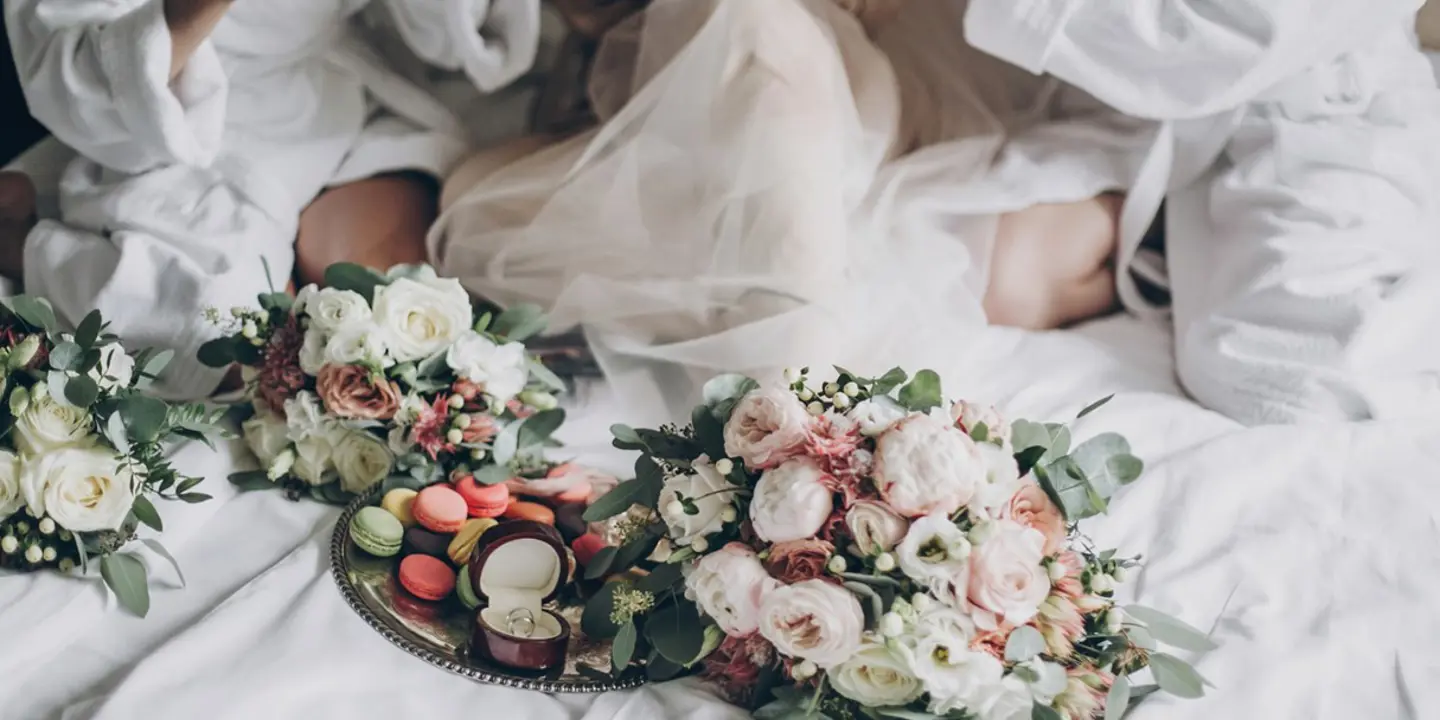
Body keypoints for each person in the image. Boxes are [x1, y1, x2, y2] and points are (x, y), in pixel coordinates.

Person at [437, 0, 1440, 426]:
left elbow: (1288, 372)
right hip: (850, 74)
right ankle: (798, 443)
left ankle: (798, 445)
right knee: (749, 46)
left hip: (1026, 137)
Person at [431, 0, 1136, 423]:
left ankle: (793, 426)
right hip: (676, 105)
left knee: (756, 33)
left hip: (899, 78)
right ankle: (795, 388)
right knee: (473, 211)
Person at [0, 0, 542, 399]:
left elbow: (452, 40)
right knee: (234, 341)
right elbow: (74, 86)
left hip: (330, 102)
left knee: (387, 313)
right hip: (179, 142)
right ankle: (20, 238)